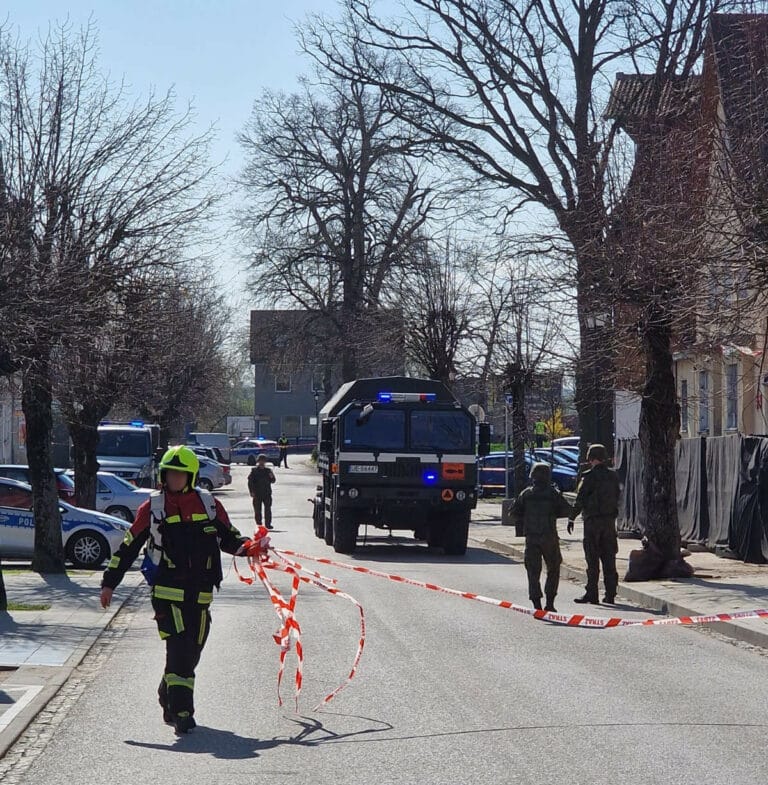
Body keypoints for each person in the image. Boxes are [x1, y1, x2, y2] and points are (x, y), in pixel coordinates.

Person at [99, 445, 259, 734]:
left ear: (191, 476)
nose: (174, 479)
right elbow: (128, 545)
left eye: (180, 475)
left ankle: (167, 692)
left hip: (201, 594)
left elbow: (230, 538)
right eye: (169, 474)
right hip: (167, 593)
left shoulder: (209, 504)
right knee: (179, 650)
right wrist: (109, 582)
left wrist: (250, 548)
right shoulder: (154, 507)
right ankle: (183, 712)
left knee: (192, 652)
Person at [511, 462, 573, 612]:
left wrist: (526, 516)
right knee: (553, 568)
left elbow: (513, 513)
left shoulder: (526, 494)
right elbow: (566, 510)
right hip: (549, 537)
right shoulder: (553, 494)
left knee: (533, 571)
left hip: (531, 538)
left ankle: (536, 603)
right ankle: (550, 603)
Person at [567, 443, 621, 605]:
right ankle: (610, 594)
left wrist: (571, 517)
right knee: (609, 558)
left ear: (590, 458)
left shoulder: (588, 477)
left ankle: (592, 593)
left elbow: (580, 499)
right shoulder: (613, 476)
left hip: (592, 523)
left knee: (592, 559)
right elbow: (617, 496)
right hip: (609, 522)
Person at [248, 453, 276, 530]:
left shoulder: (268, 471)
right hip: (257, 493)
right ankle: (259, 524)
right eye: (260, 461)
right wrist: (251, 491)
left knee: (268, 509)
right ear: (258, 461)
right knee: (257, 510)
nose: (262, 462)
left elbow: (273, 480)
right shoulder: (254, 471)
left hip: (267, 493)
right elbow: (250, 482)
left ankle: (268, 524)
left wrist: (271, 476)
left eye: (263, 461)